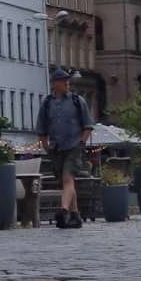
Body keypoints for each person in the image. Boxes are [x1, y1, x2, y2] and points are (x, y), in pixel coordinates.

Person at [36, 69, 94, 229]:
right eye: (64, 80)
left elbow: (88, 125)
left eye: (68, 80)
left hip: (74, 146)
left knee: (68, 178)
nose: (67, 83)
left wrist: (82, 142)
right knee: (66, 183)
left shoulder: (77, 100)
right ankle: (76, 216)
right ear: (55, 83)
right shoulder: (47, 103)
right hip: (56, 148)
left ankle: (63, 211)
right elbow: (41, 128)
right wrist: (46, 146)